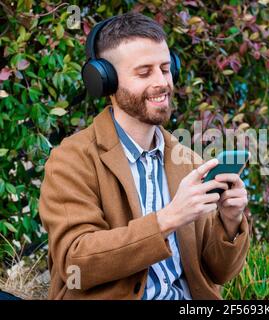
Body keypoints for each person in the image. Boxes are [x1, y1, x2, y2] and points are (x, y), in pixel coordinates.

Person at [38, 12, 250, 300]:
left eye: (165, 68)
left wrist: (230, 221)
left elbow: (218, 273)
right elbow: (76, 263)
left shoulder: (187, 161)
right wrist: (167, 219)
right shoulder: (71, 160)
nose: (162, 82)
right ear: (105, 80)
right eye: (144, 72)